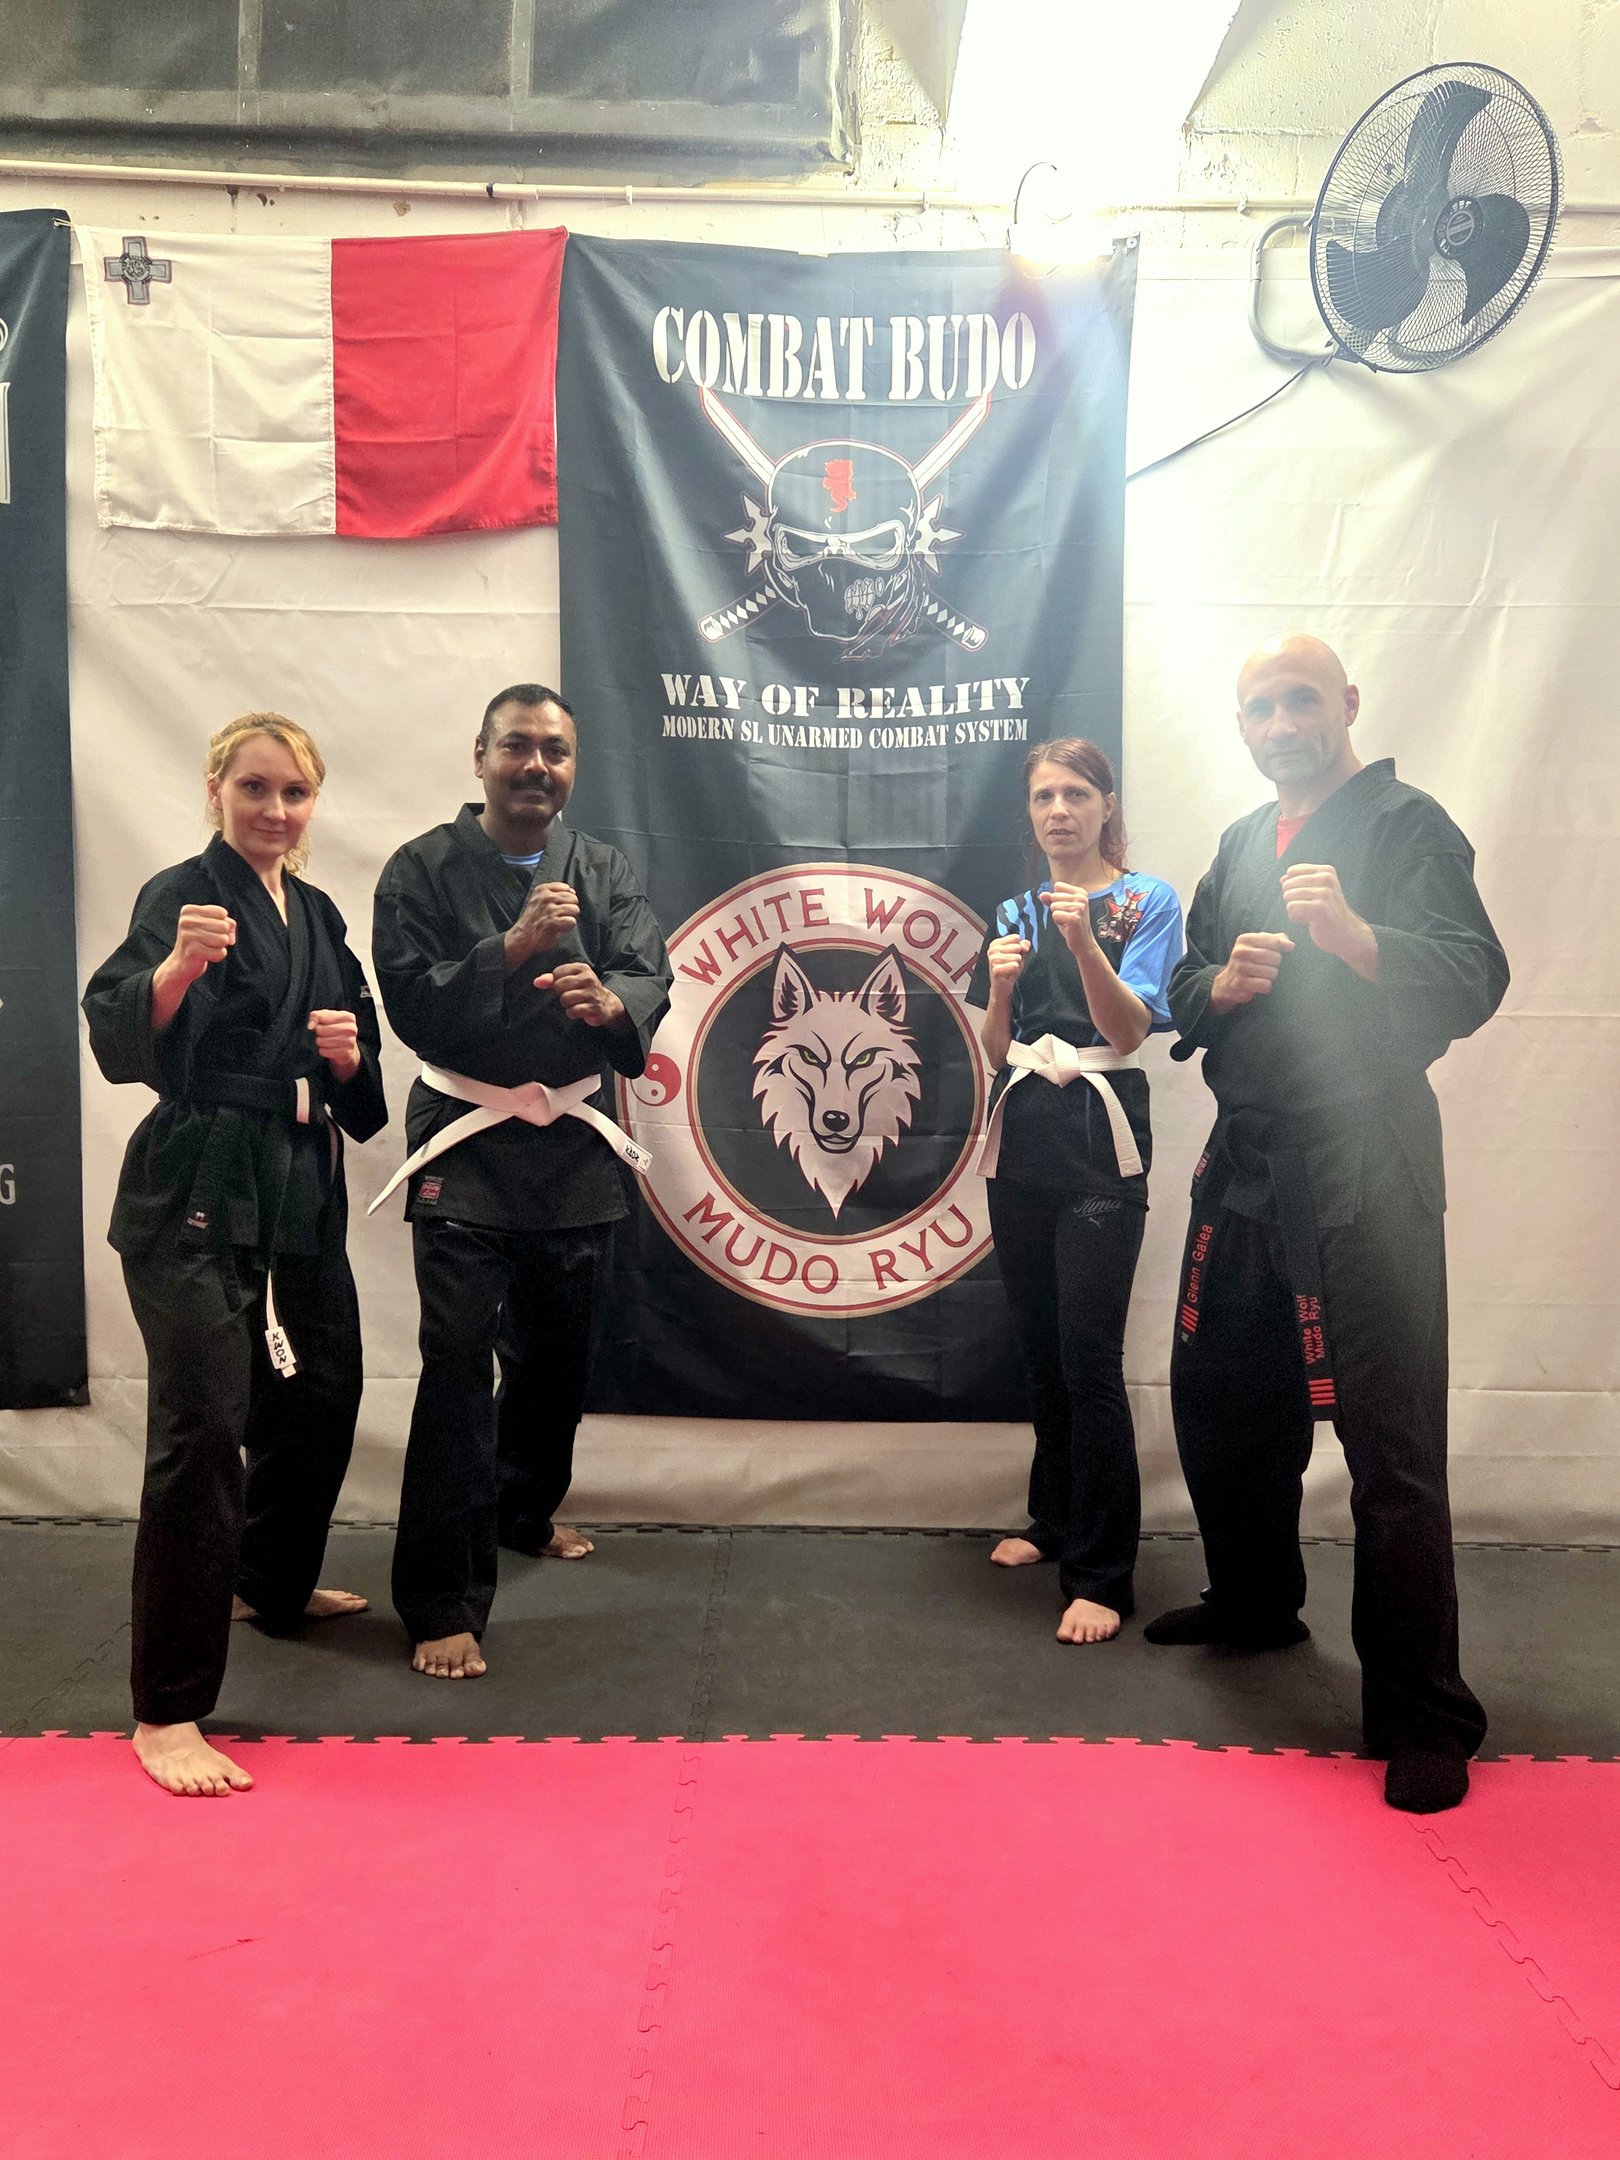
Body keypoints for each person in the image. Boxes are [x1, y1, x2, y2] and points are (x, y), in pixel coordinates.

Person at [1146, 635, 1508, 1815]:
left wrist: (1358, 938)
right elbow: (1183, 988)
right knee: (1220, 1394)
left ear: (1347, 704)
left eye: (1301, 699)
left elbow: (1474, 971)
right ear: (1242, 727)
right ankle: (1256, 1604)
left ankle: (1423, 1712)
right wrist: (1225, 989)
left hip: (1366, 1157)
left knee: (1388, 1431)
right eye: (1259, 706)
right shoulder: (1244, 842)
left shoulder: (1409, 825)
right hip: (1248, 1157)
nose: (1281, 721)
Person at [83, 713, 387, 1798]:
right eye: (254, 788)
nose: (274, 810)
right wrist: (172, 971)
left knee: (325, 1388)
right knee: (204, 1426)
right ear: (216, 788)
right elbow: (120, 1036)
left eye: (293, 793)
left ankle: (268, 1579)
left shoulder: (314, 911)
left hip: (297, 1178)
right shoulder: (183, 896)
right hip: (197, 1184)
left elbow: (361, 1082)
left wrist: (351, 1060)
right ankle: (166, 1710)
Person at [371, 683, 671, 1681]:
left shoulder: (606, 868)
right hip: (464, 1140)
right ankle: (440, 1599)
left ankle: (523, 1509)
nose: (537, 766)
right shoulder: (419, 869)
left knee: (557, 1357)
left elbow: (647, 970)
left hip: (575, 1143)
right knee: (458, 1369)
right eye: (518, 748)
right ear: (480, 756)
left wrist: (606, 1000)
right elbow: (414, 1005)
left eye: (555, 751)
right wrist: (515, 950)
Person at [975, 740, 1184, 1644]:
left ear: (1107, 805)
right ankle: (1052, 1519)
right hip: (1022, 1134)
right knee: (1040, 1347)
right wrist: (997, 988)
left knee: (1089, 1354)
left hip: (1102, 1139)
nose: (1057, 810)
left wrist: (1080, 942)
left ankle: (1102, 1572)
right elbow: (996, 1049)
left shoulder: (1148, 900)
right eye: (1043, 796)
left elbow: (1130, 1031)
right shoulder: (1013, 908)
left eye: (1075, 794)